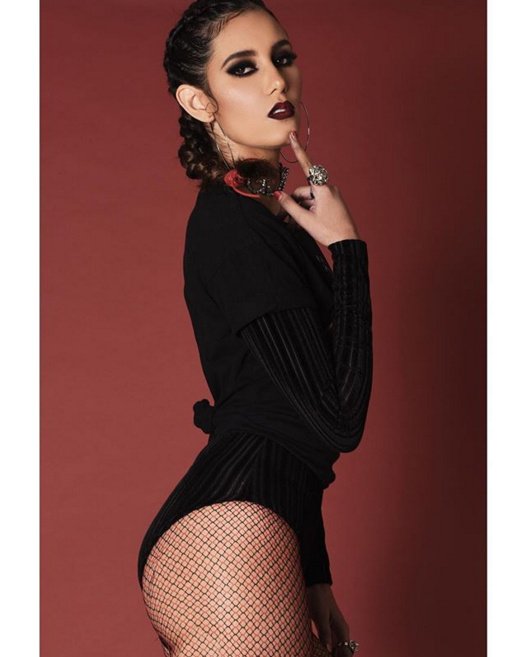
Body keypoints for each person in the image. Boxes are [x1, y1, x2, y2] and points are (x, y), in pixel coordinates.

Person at [136, 1, 373, 655]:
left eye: (283, 57)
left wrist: (313, 571)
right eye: (243, 67)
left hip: (260, 525)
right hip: (229, 530)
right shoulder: (233, 225)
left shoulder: (265, 216)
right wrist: (349, 251)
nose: (276, 79)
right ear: (199, 100)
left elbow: (285, 418)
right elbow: (339, 424)